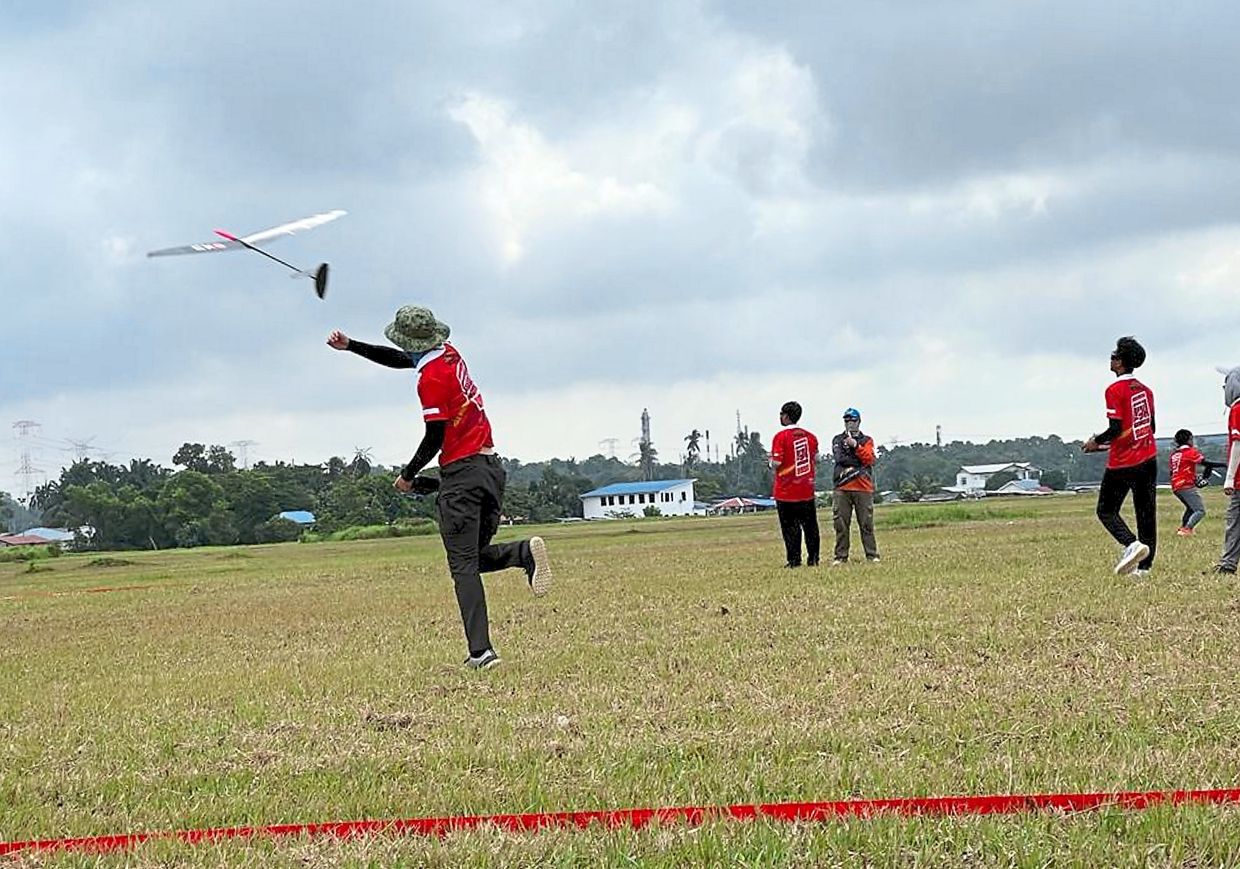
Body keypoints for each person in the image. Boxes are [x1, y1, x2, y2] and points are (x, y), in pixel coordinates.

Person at [327, 305, 552, 670]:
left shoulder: (429, 379)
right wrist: (352, 346)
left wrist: (408, 473)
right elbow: (404, 359)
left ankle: (481, 652)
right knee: (473, 558)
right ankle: (521, 554)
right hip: (490, 470)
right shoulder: (449, 354)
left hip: (462, 474)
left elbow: (435, 434)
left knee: (462, 566)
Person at [1083, 336, 1157, 575]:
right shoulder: (1146, 391)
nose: (1111, 358)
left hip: (1124, 462)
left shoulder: (1114, 390)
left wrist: (1096, 442)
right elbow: (1150, 428)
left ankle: (1131, 544)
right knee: (1146, 513)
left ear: (1120, 363)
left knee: (1106, 510)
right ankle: (1144, 569)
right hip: (1149, 459)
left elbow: (1115, 429)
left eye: (1114, 355)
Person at [769, 401, 820, 567]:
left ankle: (794, 560)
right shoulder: (811, 437)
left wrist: (769, 462)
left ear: (786, 416)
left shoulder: (780, 437)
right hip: (806, 488)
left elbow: (777, 462)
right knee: (810, 526)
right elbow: (816, 458)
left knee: (790, 528)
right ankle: (813, 558)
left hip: (786, 491)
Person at [831, 407, 879, 565]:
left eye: (853, 420)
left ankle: (872, 555)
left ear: (859, 421)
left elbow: (870, 459)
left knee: (866, 523)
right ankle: (840, 556)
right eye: (846, 420)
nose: (850, 423)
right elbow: (840, 459)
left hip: (862, 486)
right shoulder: (838, 439)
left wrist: (855, 446)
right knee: (841, 524)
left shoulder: (867, 440)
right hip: (842, 487)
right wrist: (858, 460)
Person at [1169, 429, 1226, 536]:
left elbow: (1173, 472)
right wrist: (1224, 465)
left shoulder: (1174, 455)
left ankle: (1182, 529)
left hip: (1176, 486)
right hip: (1185, 485)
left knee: (1191, 508)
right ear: (1189, 439)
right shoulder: (1190, 452)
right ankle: (1187, 529)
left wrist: (1194, 478)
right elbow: (1206, 463)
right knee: (1200, 511)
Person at [1212, 365, 1240, 575]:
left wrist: (1229, 478)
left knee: (1234, 521)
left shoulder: (1237, 410)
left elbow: (1238, 446)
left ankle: (1227, 565)